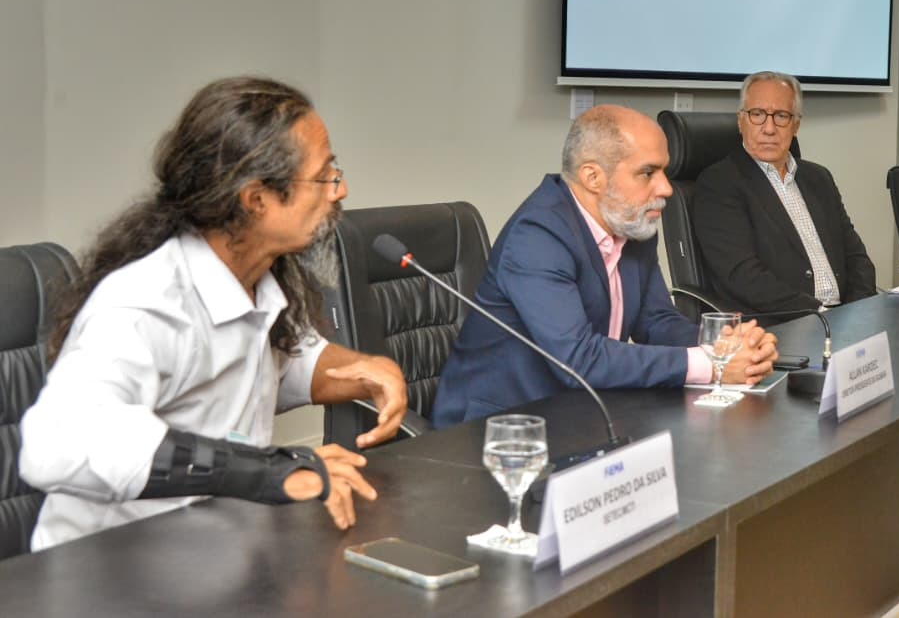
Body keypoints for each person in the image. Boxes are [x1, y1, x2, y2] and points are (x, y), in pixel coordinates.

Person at [20, 76, 408, 550]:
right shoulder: (145, 303)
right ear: (256, 199)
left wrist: (368, 370)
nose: (339, 188)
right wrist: (269, 470)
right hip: (109, 570)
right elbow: (55, 446)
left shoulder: (257, 280)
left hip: (211, 554)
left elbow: (281, 363)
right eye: (324, 176)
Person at [431, 105, 777, 428]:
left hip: (585, 412)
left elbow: (656, 322)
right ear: (593, 177)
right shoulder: (538, 235)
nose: (666, 188)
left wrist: (727, 347)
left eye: (664, 171)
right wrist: (709, 365)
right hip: (501, 428)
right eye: (648, 173)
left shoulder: (630, 222)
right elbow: (578, 359)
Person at [692, 71, 876, 315]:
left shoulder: (819, 178)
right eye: (757, 114)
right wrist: (819, 314)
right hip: (783, 322)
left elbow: (856, 258)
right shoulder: (719, 183)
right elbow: (743, 276)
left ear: (796, 124)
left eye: (781, 116)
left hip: (845, 317)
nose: (769, 128)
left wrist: (858, 312)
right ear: (740, 121)